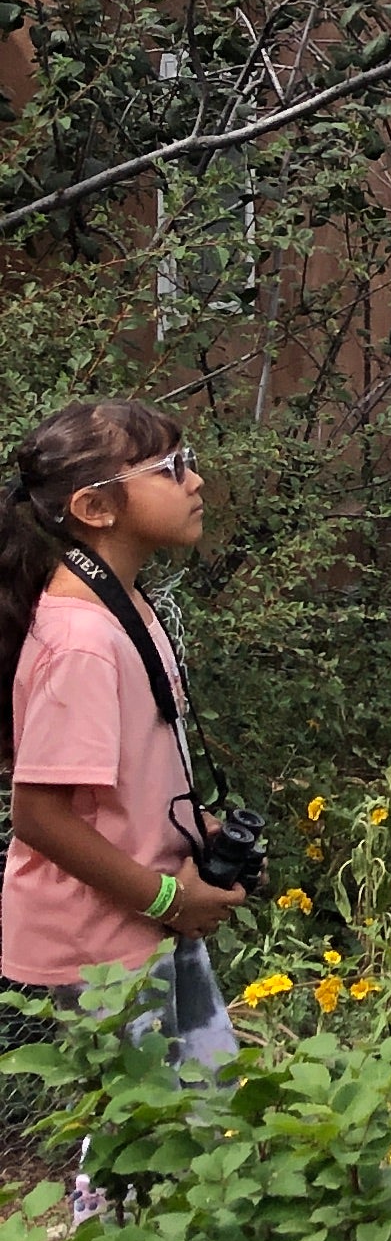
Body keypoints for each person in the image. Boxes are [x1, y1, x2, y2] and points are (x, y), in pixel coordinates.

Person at [1, 401, 248, 1127]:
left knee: (202, 1122)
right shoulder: (81, 640)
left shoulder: (123, 604)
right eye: (171, 469)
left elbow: (121, 780)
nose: (195, 481)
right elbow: (38, 816)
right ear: (95, 508)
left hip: (146, 919)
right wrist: (169, 900)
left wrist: (195, 832)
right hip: (107, 943)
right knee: (150, 1142)